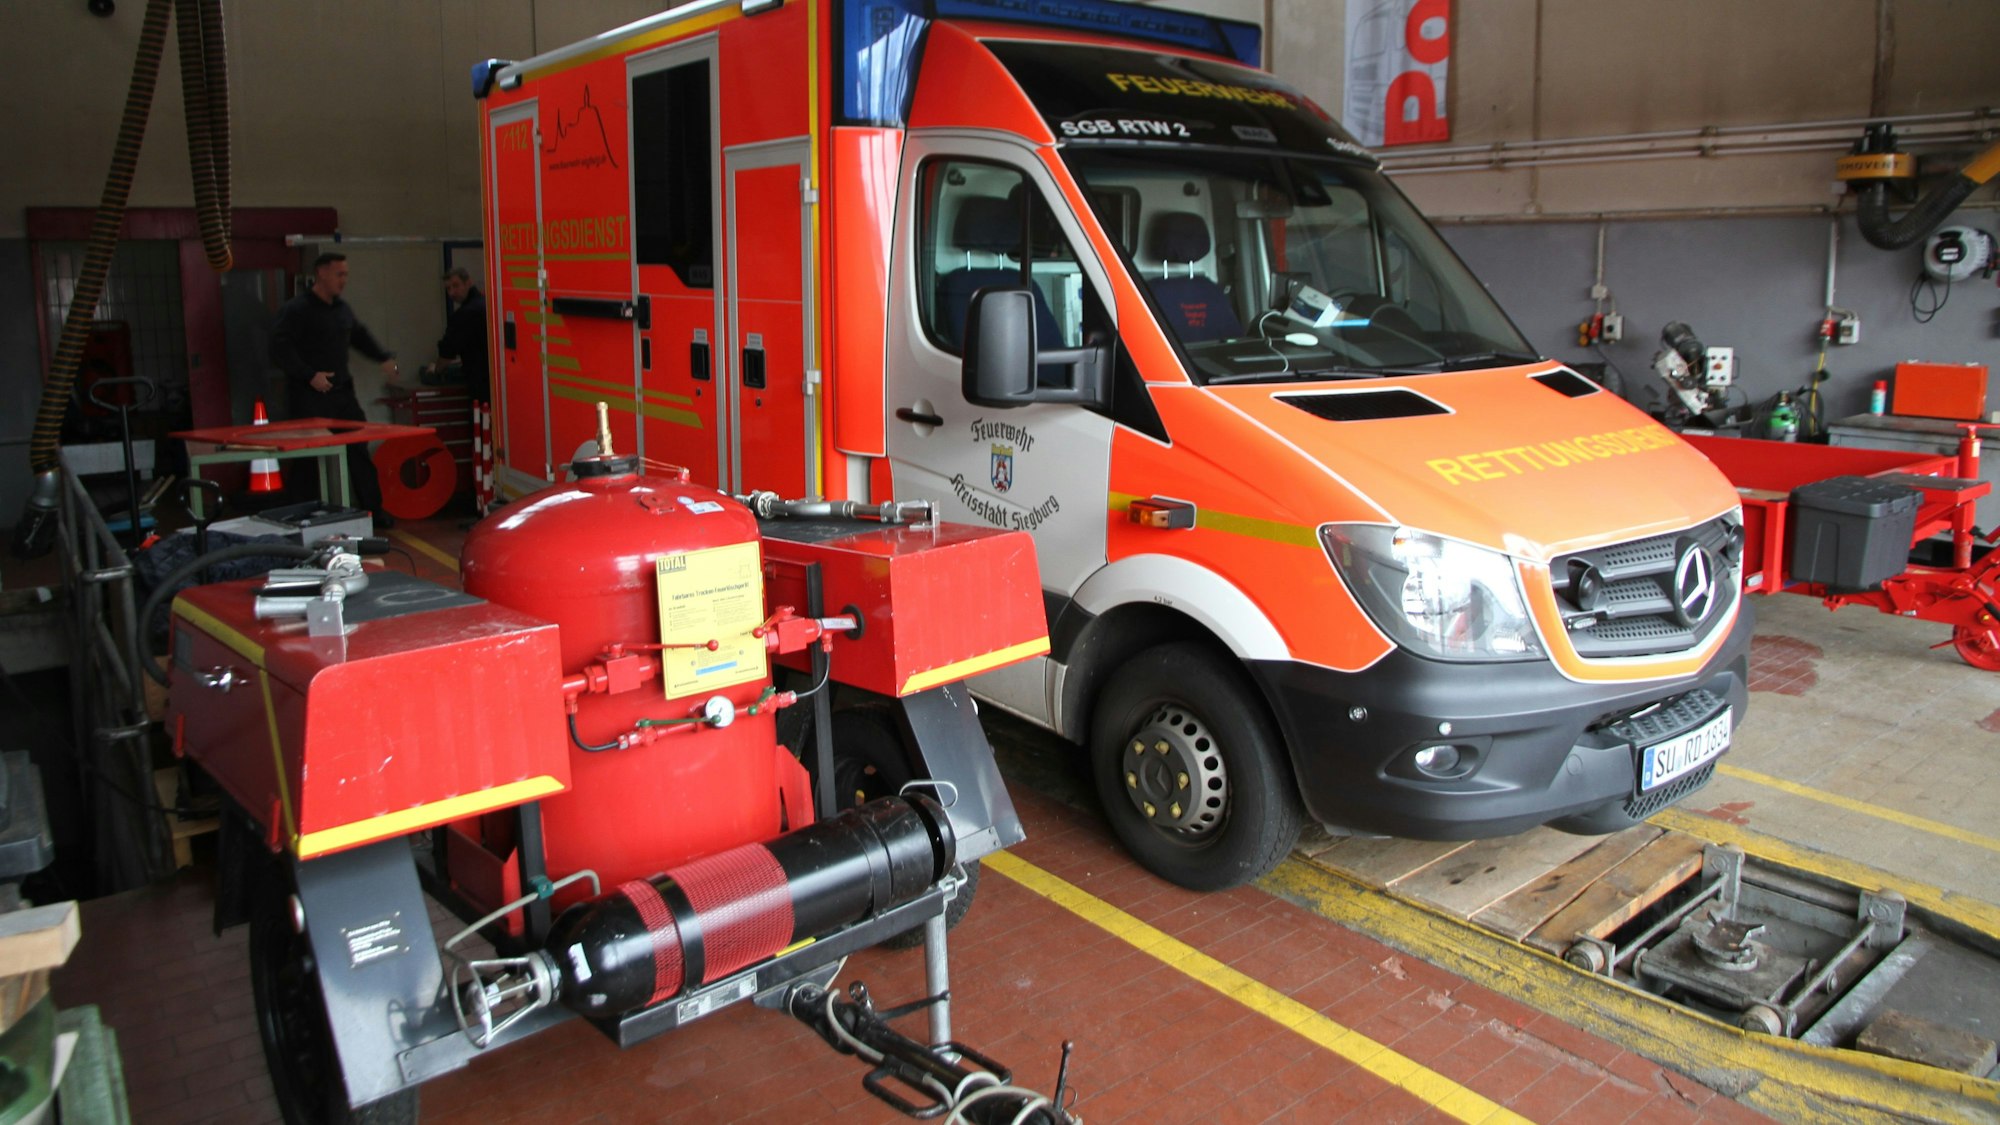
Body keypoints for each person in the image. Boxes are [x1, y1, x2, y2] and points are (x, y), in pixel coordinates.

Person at [269, 252, 400, 526]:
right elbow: (280, 348)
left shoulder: (341, 309)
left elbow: (360, 336)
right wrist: (308, 375)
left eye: (346, 274)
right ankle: (297, 517)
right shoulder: (297, 310)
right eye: (339, 274)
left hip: (342, 395)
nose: (344, 280)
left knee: (358, 451)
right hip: (309, 396)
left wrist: (384, 357)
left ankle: (373, 511)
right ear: (322, 274)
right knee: (307, 460)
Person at [435, 266, 489, 404]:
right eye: (448, 288)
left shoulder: (464, 315)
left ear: (468, 282)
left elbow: (447, 353)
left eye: (456, 286)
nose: (452, 292)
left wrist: (436, 371)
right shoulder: (489, 305)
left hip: (480, 382)